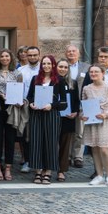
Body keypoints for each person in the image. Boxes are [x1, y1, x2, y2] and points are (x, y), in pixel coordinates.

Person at [26, 55, 67, 185]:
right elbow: (29, 97)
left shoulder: (59, 80)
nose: (46, 66)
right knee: (36, 142)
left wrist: (52, 106)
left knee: (50, 143)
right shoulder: (35, 79)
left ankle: (48, 172)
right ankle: (38, 171)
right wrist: (31, 104)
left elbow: (64, 103)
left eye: (49, 63)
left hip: (52, 115)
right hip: (36, 115)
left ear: (53, 65)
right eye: (44, 63)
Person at [83, 46, 108, 182]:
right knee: (95, 147)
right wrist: (84, 113)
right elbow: (84, 99)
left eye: (105, 56)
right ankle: (98, 173)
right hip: (93, 119)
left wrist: (107, 114)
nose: (103, 58)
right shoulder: (88, 83)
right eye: (100, 56)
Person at [0, 49, 24, 181]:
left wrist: (19, 101)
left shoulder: (17, 73)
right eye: (2, 56)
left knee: (10, 138)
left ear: (11, 58)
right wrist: (0, 95)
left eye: (7, 56)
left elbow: (20, 91)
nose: (4, 58)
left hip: (12, 108)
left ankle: (8, 167)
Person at [56, 59, 81, 182]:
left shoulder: (73, 83)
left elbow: (76, 101)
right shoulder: (53, 81)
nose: (63, 69)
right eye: (60, 66)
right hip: (54, 117)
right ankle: (49, 168)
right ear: (56, 67)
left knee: (65, 146)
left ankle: (62, 170)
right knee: (52, 145)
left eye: (65, 67)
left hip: (68, 119)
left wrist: (75, 112)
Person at [64, 45, 89, 168]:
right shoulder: (62, 66)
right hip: (67, 103)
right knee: (67, 131)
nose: (71, 53)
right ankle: (66, 156)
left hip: (82, 103)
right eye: (69, 51)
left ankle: (78, 157)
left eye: (73, 51)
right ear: (65, 54)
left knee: (80, 132)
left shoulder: (86, 67)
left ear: (78, 53)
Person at [17, 46, 41, 173]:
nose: (32, 57)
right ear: (26, 55)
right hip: (25, 105)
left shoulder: (45, 68)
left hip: (42, 106)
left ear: (39, 55)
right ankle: (27, 160)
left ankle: (40, 160)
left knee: (39, 134)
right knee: (26, 135)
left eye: (35, 55)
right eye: (30, 55)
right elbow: (18, 87)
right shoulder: (21, 70)